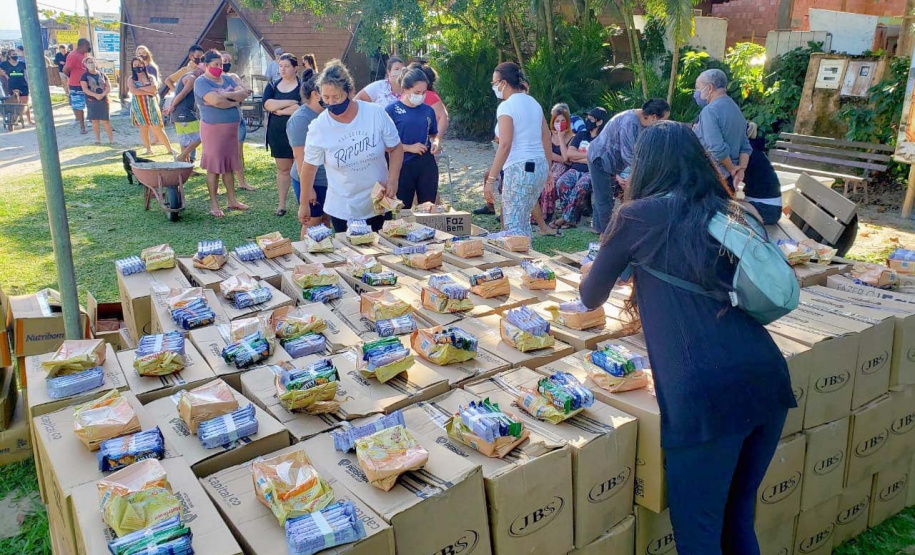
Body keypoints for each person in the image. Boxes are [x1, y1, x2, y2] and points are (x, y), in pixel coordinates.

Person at [580, 120, 794, 555]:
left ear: (644, 166)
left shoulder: (636, 215)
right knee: (737, 517)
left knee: (698, 534)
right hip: (765, 377)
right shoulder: (725, 210)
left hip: (704, 395)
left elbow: (590, 295)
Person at [297, 60, 403, 233]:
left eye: (336, 97)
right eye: (325, 98)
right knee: (350, 256)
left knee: (381, 252)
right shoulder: (319, 127)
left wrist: (393, 179)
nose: (331, 103)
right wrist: (303, 204)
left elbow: (396, 148)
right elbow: (309, 168)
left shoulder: (375, 113)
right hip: (343, 207)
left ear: (350, 92)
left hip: (378, 202)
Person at [484, 62, 555, 238]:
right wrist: (547, 168)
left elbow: (505, 144)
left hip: (519, 168)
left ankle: (520, 263)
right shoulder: (534, 103)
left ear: (504, 83)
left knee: (514, 226)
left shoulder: (506, 106)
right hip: (538, 165)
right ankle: (525, 261)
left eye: (494, 83)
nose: (494, 87)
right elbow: (546, 137)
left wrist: (491, 180)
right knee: (522, 222)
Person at [587, 98, 670, 235]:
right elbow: (629, 155)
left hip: (615, 161)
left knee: (608, 198)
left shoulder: (643, 121)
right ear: (654, 117)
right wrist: (633, 177)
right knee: (604, 198)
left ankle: (605, 230)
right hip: (599, 158)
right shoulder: (630, 122)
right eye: (664, 120)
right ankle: (604, 236)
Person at [194, 50, 250, 218]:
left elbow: (243, 94)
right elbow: (216, 101)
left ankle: (232, 200)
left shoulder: (227, 79)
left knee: (229, 166)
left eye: (221, 64)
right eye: (216, 64)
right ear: (206, 65)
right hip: (213, 129)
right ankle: (214, 204)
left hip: (231, 129)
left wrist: (226, 95)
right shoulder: (201, 82)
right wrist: (235, 101)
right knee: (214, 167)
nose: (220, 67)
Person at [385, 67, 440, 209]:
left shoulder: (428, 110)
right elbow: (383, 144)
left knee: (428, 206)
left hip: (425, 163)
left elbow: (433, 134)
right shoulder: (391, 110)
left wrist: (436, 142)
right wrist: (409, 147)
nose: (421, 96)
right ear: (405, 89)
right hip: (402, 165)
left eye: (423, 93)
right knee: (402, 208)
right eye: (417, 92)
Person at [694, 69, 753, 193]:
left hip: (713, 178)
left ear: (709, 88)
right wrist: (740, 170)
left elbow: (717, 148)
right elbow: (745, 146)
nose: (696, 93)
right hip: (730, 180)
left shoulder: (710, 111)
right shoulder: (736, 109)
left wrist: (732, 168)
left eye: (698, 88)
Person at [551, 107, 607, 229]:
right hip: (576, 169)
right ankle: (570, 218)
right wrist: (588, 157)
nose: (587, 121)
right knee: (561, 183)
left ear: (599, 122)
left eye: (591, 119)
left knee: (580, 186)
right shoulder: (582, 134)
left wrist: (579, 157)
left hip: (592, 171)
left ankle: (565, 218)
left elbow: (599, 159)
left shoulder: (603, 139)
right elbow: (570, 155)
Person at [288, 68, 329, 231]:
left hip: (328, 179)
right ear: (315, 94)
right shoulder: (300, 120)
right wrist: (308, 190)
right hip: (311, 181)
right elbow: (299, 158)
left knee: (325, 223)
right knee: (312, 225)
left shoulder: (328, 113)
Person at [262, 53, 301, 216]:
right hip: (278, 133)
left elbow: (302, 107)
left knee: (302, 168)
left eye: (286, 66)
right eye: (280, 66)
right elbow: (268, 104)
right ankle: (282, 204)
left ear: (295, 68)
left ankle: (304, 202)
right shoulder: (272, 85)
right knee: (283, 169)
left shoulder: (303, 86)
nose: (283, 69)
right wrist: (290, 103)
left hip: (299, 133)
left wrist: (281, 110)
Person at [128, 57, 175, 156]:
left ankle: (169, 149)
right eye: (135, 65)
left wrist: (140, 88)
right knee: (143, 127)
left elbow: (154, 88)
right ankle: (148, 149)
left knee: (157, 127)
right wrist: (147, 90)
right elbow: (133, 91)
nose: (137, 66)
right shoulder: (131, 79)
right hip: (139, 106)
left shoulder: (150, 77)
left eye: (139, 64)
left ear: (143, 65)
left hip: (151, 105)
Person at [222, 52, 255, 192]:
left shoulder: (233, 76)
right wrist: (235, 96)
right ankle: (220, 185)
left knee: (238, 152)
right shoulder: (211, 80)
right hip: (222, 121)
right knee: (221, 153)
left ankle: (242, 182)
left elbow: (243, 94)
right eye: (224, 60)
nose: (226, 63)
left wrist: (231, 97)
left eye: (229, 60)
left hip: (237, 118)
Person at [741, 122, 782, 224]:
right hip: (769, 207)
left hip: (767, 210)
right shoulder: (754, 151)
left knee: (726, 205)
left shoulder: (748, 154)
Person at [164, 64, 204, 162]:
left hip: (177, 114)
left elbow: (177, 93)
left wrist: (171, 106)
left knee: (184, 141)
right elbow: (182, 94)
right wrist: (172, 106)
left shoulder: (186, 75)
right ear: (200, 72)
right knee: (201, 136)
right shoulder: (192, 78)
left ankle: (185, 165)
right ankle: (182, 157)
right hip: (184, 113)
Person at [80, 56, 113, 145]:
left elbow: (108, 86)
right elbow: (85, 89)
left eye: (92, 61)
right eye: (89, 62)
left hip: (103, 99)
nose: (91, 63)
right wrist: (95, 95)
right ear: (85, 65)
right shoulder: (84, 76)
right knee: (95, 120)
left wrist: (102, 94)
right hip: (92, 100)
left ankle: (111, 139)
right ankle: (97, 140)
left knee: (106, 120)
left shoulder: (102, 74)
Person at [64, 38, 91, 134]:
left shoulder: (84, 55)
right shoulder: (73, 55)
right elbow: (66, 69)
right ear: (83, 45)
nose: (89, 48)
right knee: (78, 106)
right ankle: (82, 126)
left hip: (87, 83)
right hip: (76, 85)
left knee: (90, 103)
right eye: (87, 46)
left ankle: (91, 120)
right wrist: (73, 77)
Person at [0, 49, 31, 125]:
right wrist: (5, 75)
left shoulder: (21, 64)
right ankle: (14, 119)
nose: (15, 56)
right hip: (12, 84)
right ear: (9, 56)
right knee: (14, 102)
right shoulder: (4, 64)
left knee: (24, 103)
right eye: (13, 54)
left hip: (23, 84)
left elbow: (29, 68)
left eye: (16, 54)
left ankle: (29, 120)